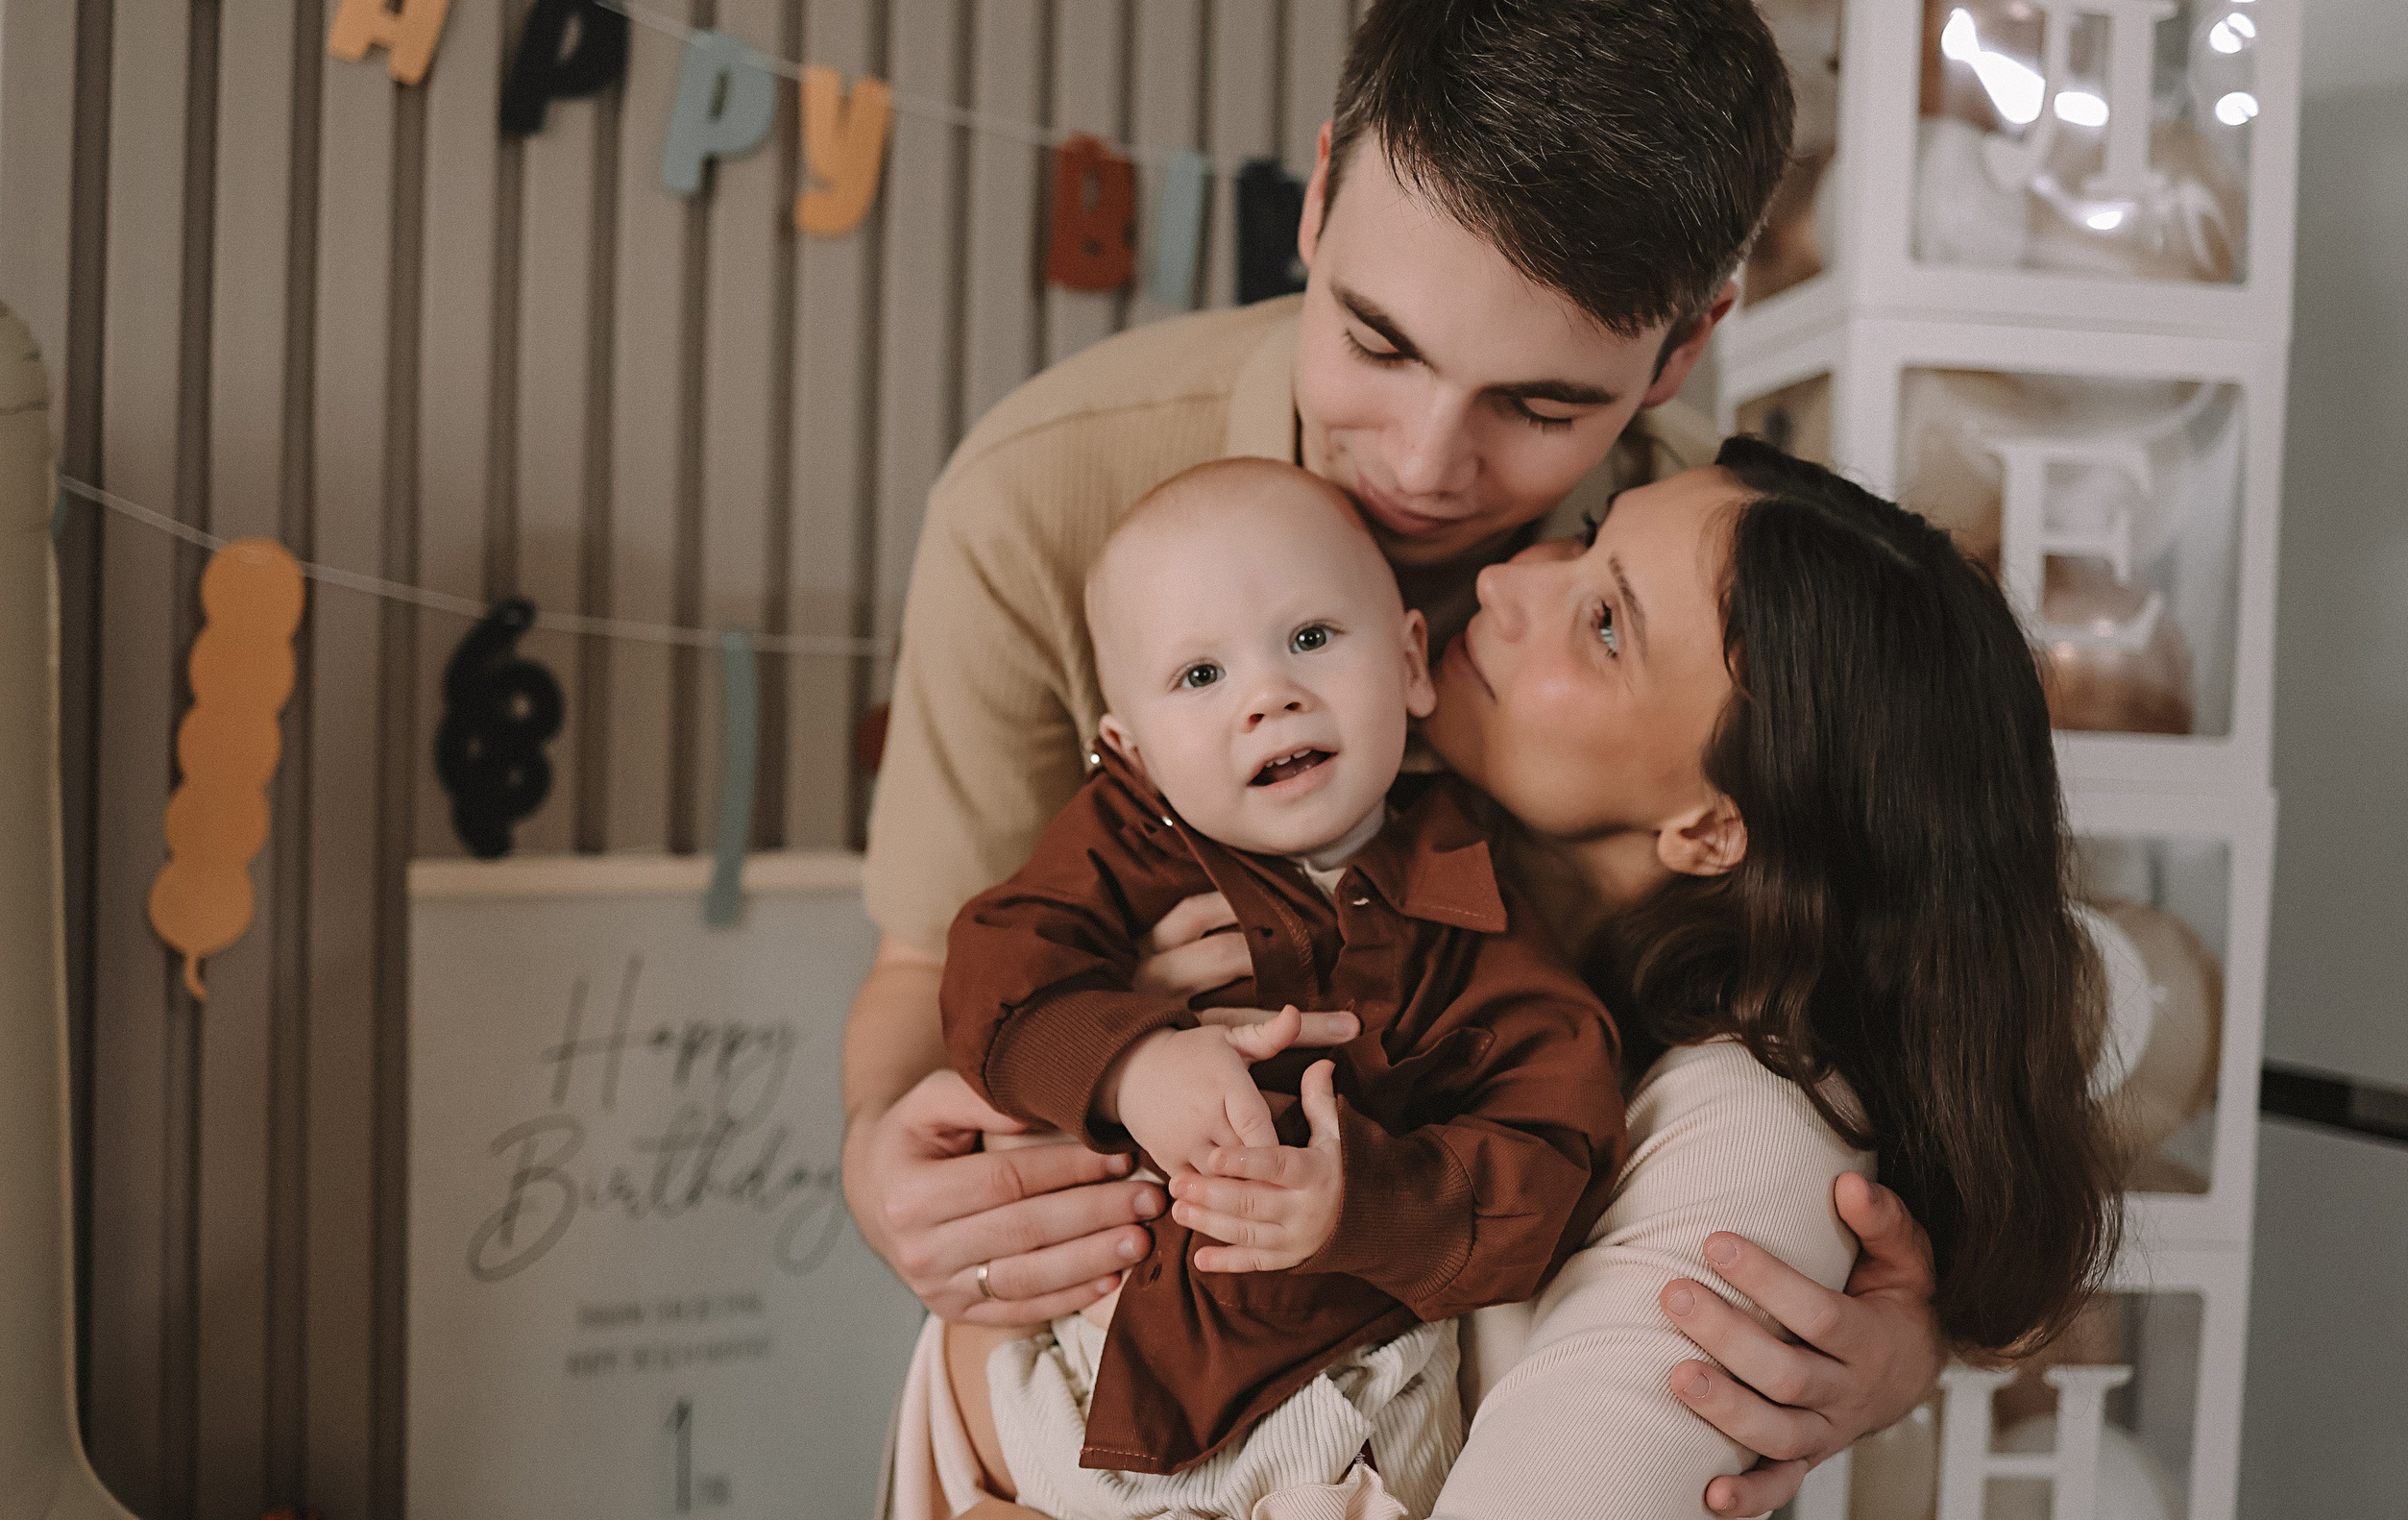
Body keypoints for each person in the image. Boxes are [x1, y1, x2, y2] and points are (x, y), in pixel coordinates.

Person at [848, 0, 1946, 1515]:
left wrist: (1925, 1324)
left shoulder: (1726, 576)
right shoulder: (1044, 498)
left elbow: (1961, 992)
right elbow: (932, 959)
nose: (1427, 467)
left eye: (1542, 403)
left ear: (1684, 345)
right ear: (1317, 197)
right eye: (1376, 340)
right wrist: (885, 1156)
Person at [909, 439, 2123, 1518]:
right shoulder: (1283, 843)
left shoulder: (1740, 1121)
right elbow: (973, 972)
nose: (1502, 576)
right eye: (1585, 540)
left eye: (1603, 623)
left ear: (1710, 829)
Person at [941, 460, 1628, 1514]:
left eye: (1310, 639)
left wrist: (1365, 1204)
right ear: (1130, 750)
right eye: (1199, 677)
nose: (1270, 695)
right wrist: (1128, 1063)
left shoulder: (1467, 896)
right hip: (1118, 1369)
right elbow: (992, 982)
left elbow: (1554, 1139)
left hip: (1354, 1385)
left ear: (1408, 662)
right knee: (957, 1378)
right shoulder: (1126, 846)